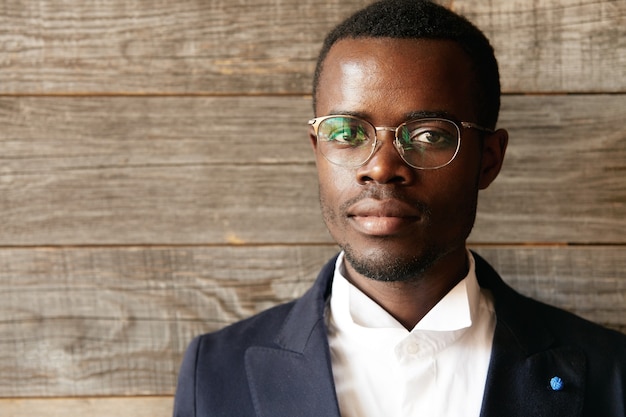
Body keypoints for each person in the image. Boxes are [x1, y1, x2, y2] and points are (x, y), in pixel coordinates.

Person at [173, 1, 626, 416]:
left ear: (488, 160)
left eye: (429, 134)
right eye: (348, 132)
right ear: (316, 150)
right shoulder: (214, 372)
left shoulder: (610, 370)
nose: (381, 168)